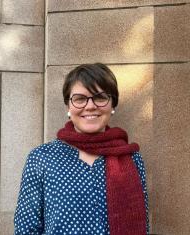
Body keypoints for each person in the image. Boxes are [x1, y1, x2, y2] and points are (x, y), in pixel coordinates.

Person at [14, 63, 149, 235]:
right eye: (80, 99)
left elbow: (142, 225)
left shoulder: (132, 158)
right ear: (68, 107)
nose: (90, 106)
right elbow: (26, 228)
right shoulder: (42, 158)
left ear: (112, 105)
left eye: (100, 97)